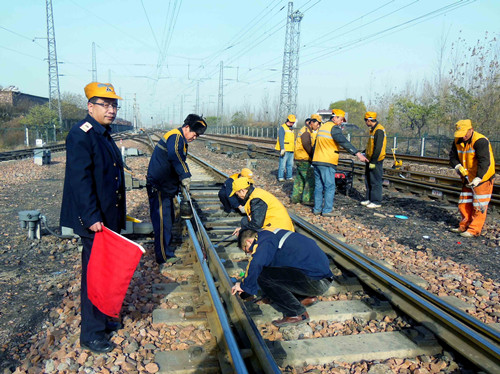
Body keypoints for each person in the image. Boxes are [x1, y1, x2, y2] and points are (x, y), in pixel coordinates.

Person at [60, 82, 126, 353]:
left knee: (106, 273)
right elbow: (80, 178)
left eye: (114, 105)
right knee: (94, 276)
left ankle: (104, 319)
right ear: (90, 106)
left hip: (107, 217)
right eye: (105, 105)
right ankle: (91, 333)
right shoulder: (81, 134)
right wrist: (90, 216)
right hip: (95, 220)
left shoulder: (103, 134)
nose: (111, 110)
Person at [231, 228, 333, 327]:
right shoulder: (272, 235)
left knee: (263, 276)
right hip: (322, 278)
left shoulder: (263, 241)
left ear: (249, 241)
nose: (249, 253)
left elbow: (256, 263)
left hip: (316, 283)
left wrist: (245, 286)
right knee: (271, 271)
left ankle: (296, 314)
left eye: (246, 250)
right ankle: (306, 298)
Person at [146, 114, 207, 264]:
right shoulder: (176, 137)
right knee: (162, 222)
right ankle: (163, 257)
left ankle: (166, 249)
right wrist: (185, 175)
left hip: (165, 186)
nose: (195, 137)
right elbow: (175, 157)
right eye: (194, 133)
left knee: (168, 219)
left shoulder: (180, 139)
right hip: (159, 187)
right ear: (187, 127)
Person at [311, 109, 369, 216]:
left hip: (317, 161)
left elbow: (315, 145)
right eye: (341, 119)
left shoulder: (322, 127)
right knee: (330, 186)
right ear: (335, 117)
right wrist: (357, 153)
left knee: (318, 186)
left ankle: (317, 209)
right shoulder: (334, 128)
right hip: (327, 161)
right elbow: (343, 141)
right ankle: (327, 210)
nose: (342, 122)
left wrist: (312, 160)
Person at [449, 119, 496, 238]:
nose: (463, 136)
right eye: (461, 134)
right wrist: (457, 165)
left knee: (479, 205)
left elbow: (484, 161)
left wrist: (478, 178)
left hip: (483, 177)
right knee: (464, 203)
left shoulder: (480, 141)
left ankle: (474, 230)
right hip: (468, 177)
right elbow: (452, 157)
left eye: (465, 133)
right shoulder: (457, 141)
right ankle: (464, 226)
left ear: (471, 130)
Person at [230, 177, 294, 236]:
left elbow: (257, 224)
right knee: (245, 221)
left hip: (279, 229)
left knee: (246, 227)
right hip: (276, 224)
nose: (238, 196)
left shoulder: (256, 199)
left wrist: (242, 230)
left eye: (237, 194)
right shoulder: (256, 193)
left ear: (242, 191)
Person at [291, 114, 322, 205]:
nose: (318, 126)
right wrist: (313, 156)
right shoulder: (306, 132)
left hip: (299, 158)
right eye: (318, 123)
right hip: (304, 159)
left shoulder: (306, 130)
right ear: (312, 122)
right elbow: (307, 145)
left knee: (299, 179)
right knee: (310, 180)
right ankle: (307, 199)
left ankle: (295, 198)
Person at [361, 111, 387, 209]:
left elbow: (378, 148)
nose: (365, 122)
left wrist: (374, 161)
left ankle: (376, 201)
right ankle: (369, 198)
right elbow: (371, 145)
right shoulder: (373, 129)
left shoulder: (379, 130)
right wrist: (364, 152)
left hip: (375, 160)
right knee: (368, 179)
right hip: (370, 158)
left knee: (375, 180)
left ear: (369, 120)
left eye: (365, 120)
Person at [275, 114, 296, 182]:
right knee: (282, 165)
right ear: (288, 120)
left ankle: (289, 176)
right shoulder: (283, 128)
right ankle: (280, 177)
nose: (292, 123)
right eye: (291, 122)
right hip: (285, 150)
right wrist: (282, 148)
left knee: (290, 165)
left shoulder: (292, 129)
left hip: (291, 149)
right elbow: (281, 139)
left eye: (293, 122)